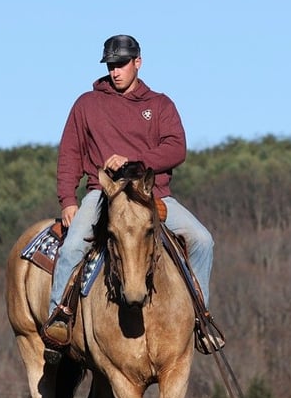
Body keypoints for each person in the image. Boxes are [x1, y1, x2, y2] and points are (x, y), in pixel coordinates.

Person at [41, 34, 222, 358]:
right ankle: (59, 319)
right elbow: (70, 152)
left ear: (138, 62)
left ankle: (200, 318)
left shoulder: (159, 104)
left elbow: (176, 147)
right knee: (71, 246)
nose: (115, 71)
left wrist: (134, 159)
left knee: (203, 240)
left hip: (153, 194)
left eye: (122, 64)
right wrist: (67, 199)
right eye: (111, 65)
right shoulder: (87, 104)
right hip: (103, 194)